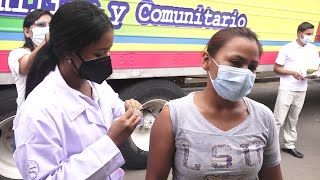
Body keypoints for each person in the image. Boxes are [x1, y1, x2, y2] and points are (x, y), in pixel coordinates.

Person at [13, 1, 143, 179]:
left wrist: (131, 111)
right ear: (68, 53)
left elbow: (118, 112)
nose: (106, 60)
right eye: (99, 54)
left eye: (108, 52)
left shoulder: (97, 85)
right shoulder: (38, 112)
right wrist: (111, 142)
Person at [146, 27, 283, 180]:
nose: (245, 73)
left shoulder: (263, 117)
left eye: (252, 67)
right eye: (236, 63)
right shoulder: (173, 116)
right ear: (206, 60)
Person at [273, 22, 320, 158]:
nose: (310, 37)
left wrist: (315, 74)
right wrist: (291, 72)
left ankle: (289, 145)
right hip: (287, 88)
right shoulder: (287, 48)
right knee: (278, 119)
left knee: (293, 119)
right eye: (308, 34)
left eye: (312, 34)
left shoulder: (311, 49)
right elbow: (277, 68)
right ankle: (272, 148)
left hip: (302, 89)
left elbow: (317, 67)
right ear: (300, 34)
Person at [8, 9, 52, 111]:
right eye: (41, 25)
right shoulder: (18, 53)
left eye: (51, 25)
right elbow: (26, 67)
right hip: (30, 117)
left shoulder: (58, 55)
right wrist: (46, 40)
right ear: (27, 32)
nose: (48, 29)